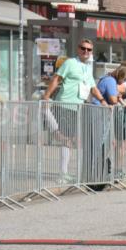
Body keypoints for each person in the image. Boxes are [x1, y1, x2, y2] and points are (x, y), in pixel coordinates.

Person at [42, 40, 103, 183]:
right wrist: (46, 96)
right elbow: (56, 79)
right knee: (66, 139)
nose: (86, 52)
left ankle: (64, 173)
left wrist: (104, 101)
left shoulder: (87, 68)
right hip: (64, 105)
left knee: (70, 140)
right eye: (83, 48)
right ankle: (62, 174)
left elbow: (93, 88)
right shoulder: (70, 63)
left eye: (89, 49)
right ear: (78, 49)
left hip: (78, 108)